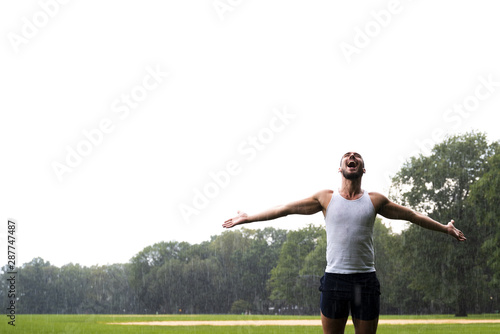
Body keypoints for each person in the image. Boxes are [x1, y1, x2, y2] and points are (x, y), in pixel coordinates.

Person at [222, 152, 466, 334]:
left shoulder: (375, 200)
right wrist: (248, 217)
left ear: (362, 169)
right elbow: (284, 209)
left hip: (365, 282)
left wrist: (444, 228)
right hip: (335, 281)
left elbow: (412, 216)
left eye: (356, 156)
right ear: (340, 169)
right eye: (347, 156)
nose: (352, 157)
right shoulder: (326, 198)